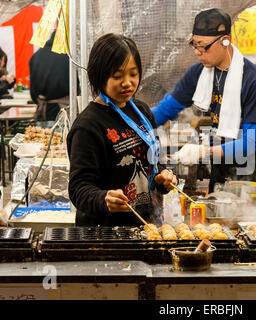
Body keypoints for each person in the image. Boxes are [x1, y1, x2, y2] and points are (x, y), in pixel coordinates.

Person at [152, 8, 256, 193]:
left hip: (248, 169)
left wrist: (203, 152)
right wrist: (133, 122)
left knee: (245, 220)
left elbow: (249, 143)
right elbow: (167, 108)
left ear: (226, 40)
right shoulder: (199, 73)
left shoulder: (254, 80)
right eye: (195, 45)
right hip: (218, 164)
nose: (198, 52)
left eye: (204, 46)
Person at [67, 33, 177, 227]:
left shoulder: (143, 112)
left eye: (133, 74)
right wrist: (103, 198)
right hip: (104, 233)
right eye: (117, 76)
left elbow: (154, 162)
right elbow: (78, 188)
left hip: (147, 225)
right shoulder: (88, 126)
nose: (127, 83)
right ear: (99, 77)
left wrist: (164, 177)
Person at [29, 31, 72, 121]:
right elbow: (75, 86)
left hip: (43, 109)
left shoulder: (36, 56)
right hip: (63, 109)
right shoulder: (66, 56)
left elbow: (33, 90)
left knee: (44, 134)